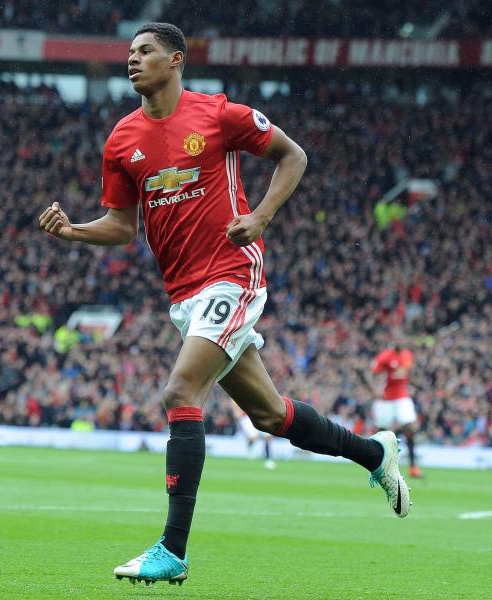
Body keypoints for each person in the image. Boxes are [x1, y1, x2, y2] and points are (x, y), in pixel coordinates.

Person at [38, 22, 410, 586]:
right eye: (129, 53)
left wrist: (259, 217)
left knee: (180, 390)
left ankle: (172, 549)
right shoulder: (121, 139)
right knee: (271, 416)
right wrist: (73, 233)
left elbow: (293, 155)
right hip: (185, 294)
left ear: (176, 60)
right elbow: (120, 227)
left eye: (145, 52)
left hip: (232, 274)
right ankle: (374, 455)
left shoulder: (217, 114)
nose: (132, 60)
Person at [371, 341, 421, 477]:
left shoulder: (407, 355)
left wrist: (416, 385)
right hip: (386, 399)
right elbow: (373, 373)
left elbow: (407, 374)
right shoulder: (385, 356)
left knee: (410, 428)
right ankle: (376, 465)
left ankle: (413, 468)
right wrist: (374, 389)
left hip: (401, 397)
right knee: (382, 433)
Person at [234, 405, 275, 469]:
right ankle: (249, 449)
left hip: (261, 416)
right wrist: (237, 412)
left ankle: (268, 459)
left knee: (267, 437)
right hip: (247, 417)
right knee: (253, 437)